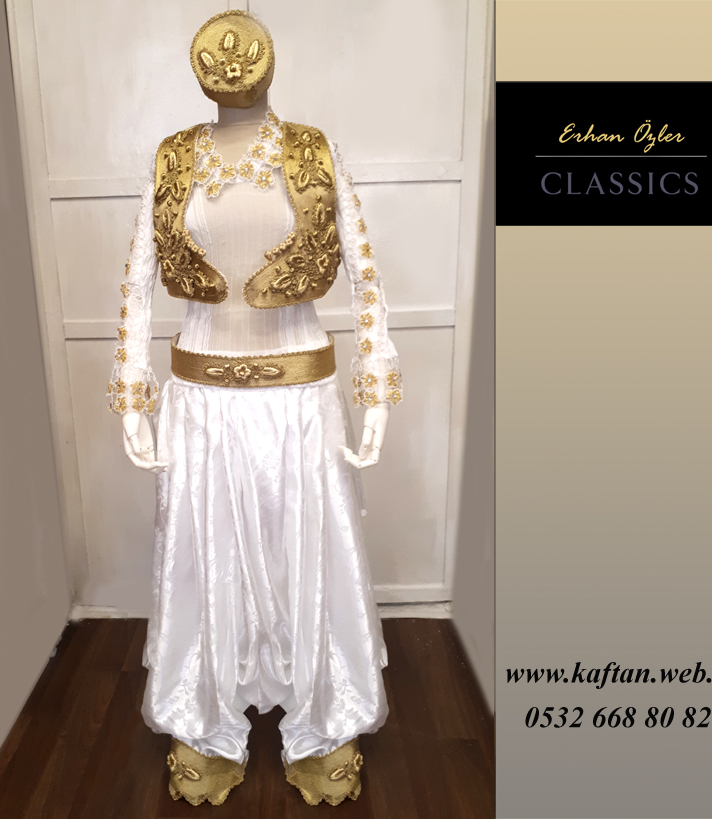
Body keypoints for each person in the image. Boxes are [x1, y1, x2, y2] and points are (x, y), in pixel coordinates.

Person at [106, 9, 403, 807]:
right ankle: (202, 717)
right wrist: (132, 392)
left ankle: (325, 713)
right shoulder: (173, 158)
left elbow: (365, 274)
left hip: (300, 398)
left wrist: (376, 382)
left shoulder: (313, 151)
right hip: (201, 403)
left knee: (308, 551)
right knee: (207, 557)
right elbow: (137, 280)